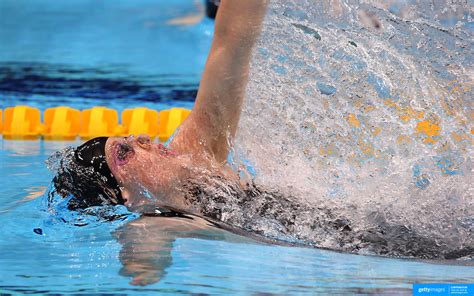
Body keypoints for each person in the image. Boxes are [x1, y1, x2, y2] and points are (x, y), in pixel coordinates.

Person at [49, 0, 471, 285]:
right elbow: (144, 264)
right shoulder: (157, 223)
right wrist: (141, 265)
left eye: (131, 138)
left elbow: (231, 44)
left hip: (388, 231)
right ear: (122, 195)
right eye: (125, 152)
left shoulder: (198, 154)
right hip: (382, 258)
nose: (143, 138)